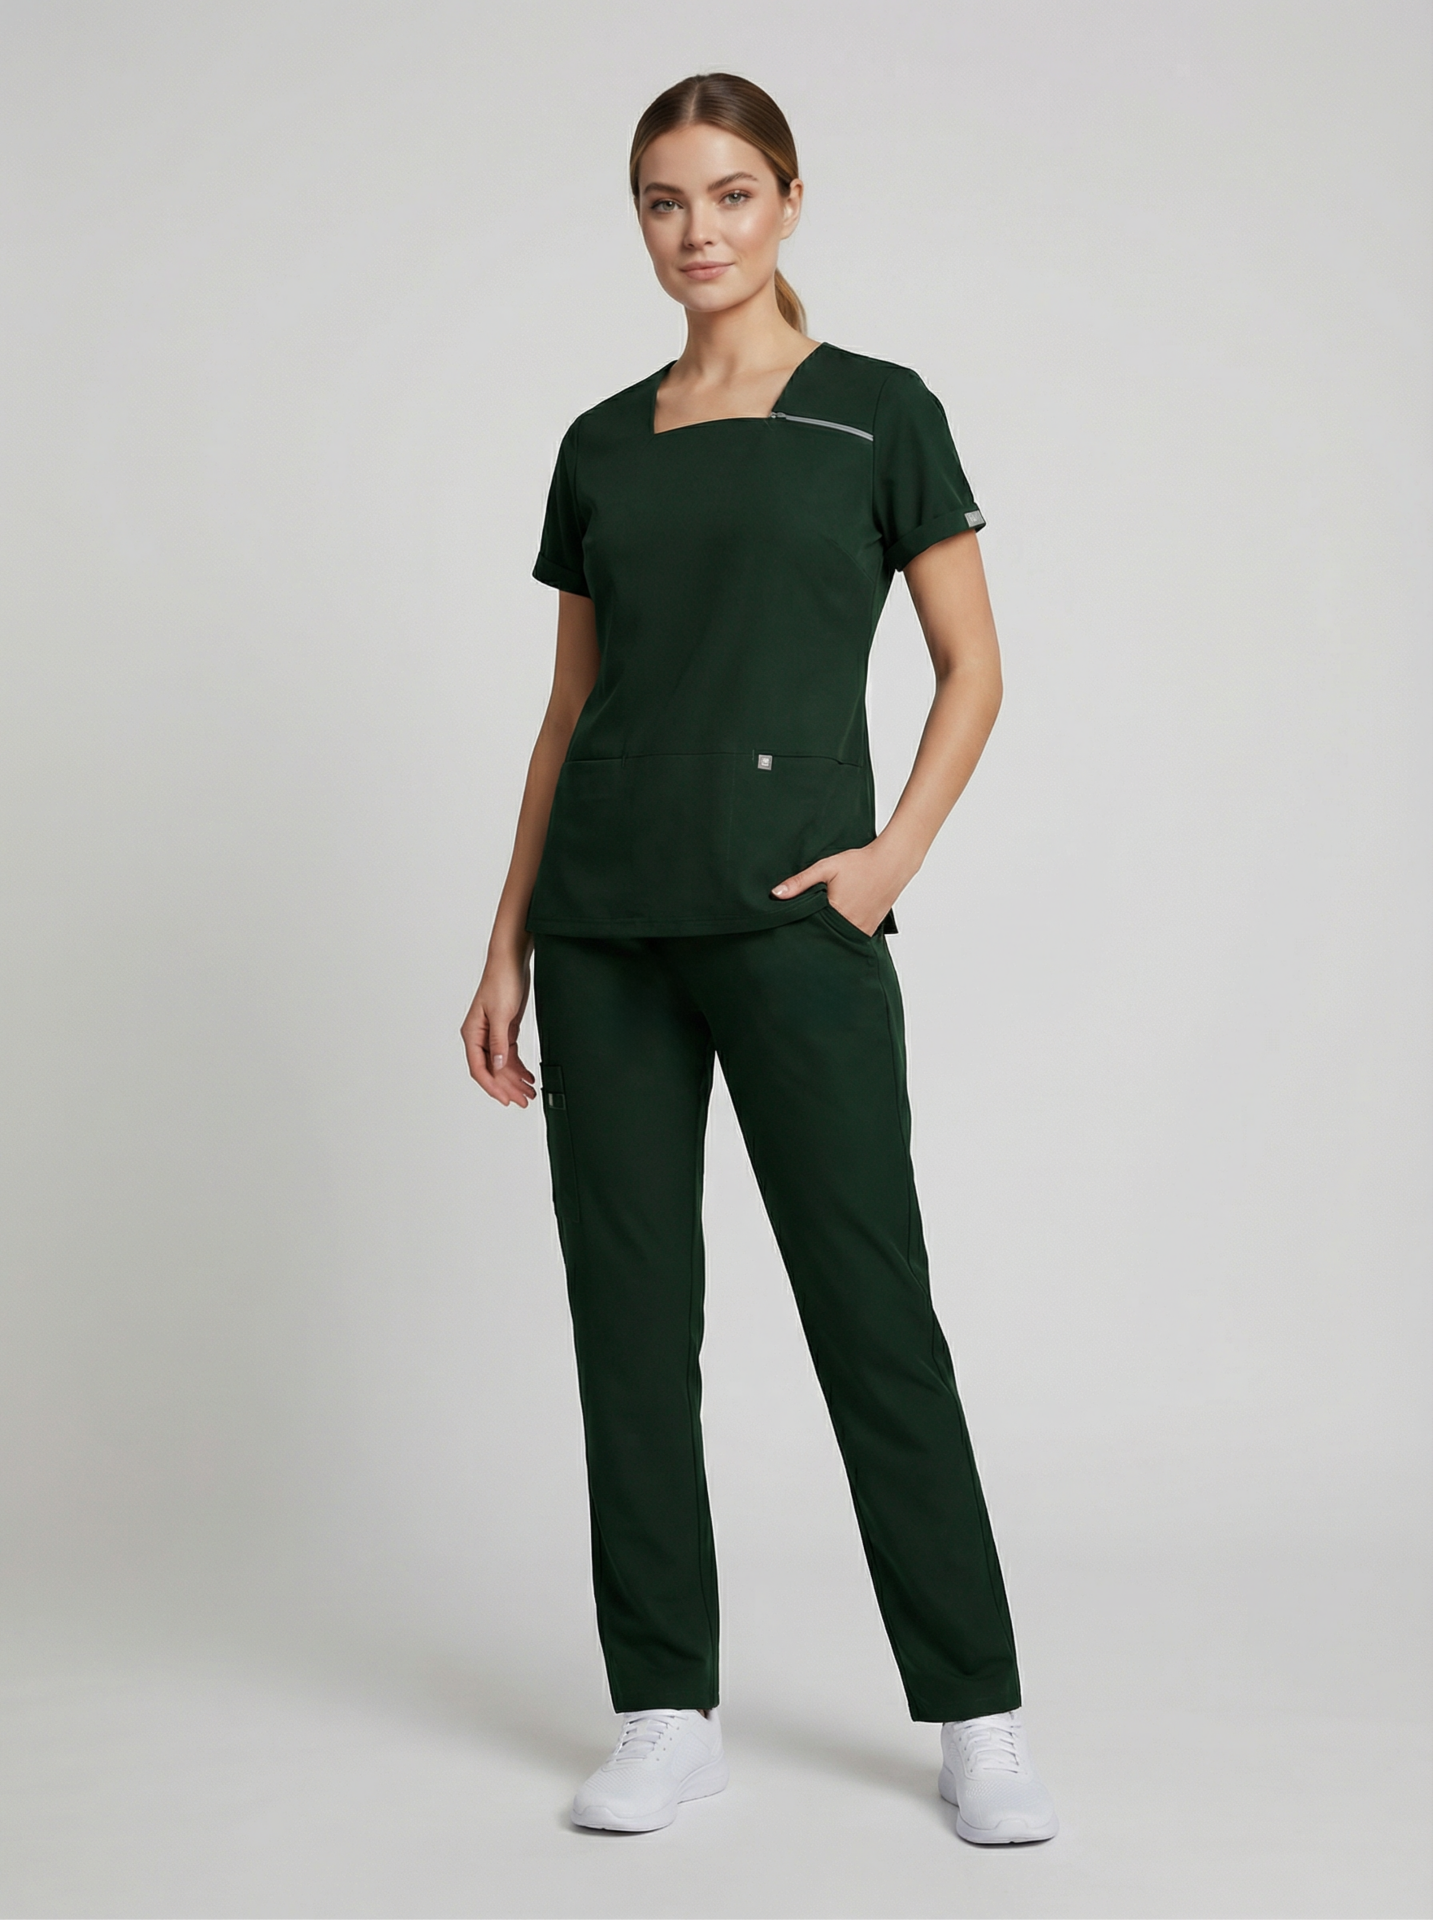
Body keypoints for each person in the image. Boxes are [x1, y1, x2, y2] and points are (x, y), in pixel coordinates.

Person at [461, 71, 1058, 1846]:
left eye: (729, 193)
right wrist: (505, 944)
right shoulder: (598, 443)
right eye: (664, 200)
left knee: (873, 1316)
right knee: (630, 1329)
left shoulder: (879, 415)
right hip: (606, 933)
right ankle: (664, 1708)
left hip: (798, 926)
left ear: (790, 201)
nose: (697, 230)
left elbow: (974, 667)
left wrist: (888, 863)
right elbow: (568, 712)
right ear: (640, 220)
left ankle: (978, 1714)